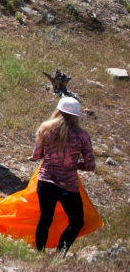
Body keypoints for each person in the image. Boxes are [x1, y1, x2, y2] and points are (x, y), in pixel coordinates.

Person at [31, 97, 95, 254]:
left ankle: (39, 253)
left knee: (45, 219)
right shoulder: (82, 136)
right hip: (68, 184)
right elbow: (90, 165)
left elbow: (36, 155)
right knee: (76, 221)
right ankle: (60, 254)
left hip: (45, 180)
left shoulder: (45, 129)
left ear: (58, 111)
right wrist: (74, 164)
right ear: (76, 116)